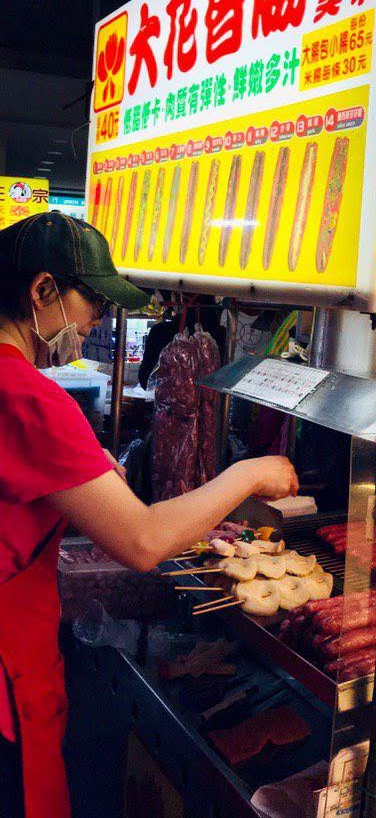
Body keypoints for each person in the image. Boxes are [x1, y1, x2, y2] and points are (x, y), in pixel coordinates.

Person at [0, 213, 298, 818]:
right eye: (93, 303)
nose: (97, 322)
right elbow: (142, 541)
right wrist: (249, 473)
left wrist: (80, 485)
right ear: (41, 292)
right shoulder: (27, 396)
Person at [138, 294, 227, 389]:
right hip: (210, 403)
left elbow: (145, 381)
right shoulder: (222, 335)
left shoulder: (160, 331)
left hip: (172, 402)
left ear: (179, 301)